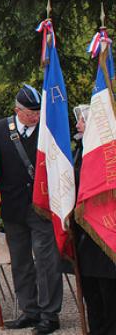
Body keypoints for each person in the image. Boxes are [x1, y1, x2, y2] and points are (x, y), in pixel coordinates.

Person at [0, 85, 62, 334]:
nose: (36, 117)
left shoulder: (48, 129)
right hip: (14, 207)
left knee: (46, 261)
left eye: (38, 112)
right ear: (17, 110)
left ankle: (49, 314)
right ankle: (29, 310)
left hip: (43, 206)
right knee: (20, 261)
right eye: (31, 113)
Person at [72, 105, 116, 335]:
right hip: (85, 232)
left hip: (108, 230)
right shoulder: (80, 150)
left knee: (109, 291)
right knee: (91, 290)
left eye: (82, 121)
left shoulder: (110, 153)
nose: (77, 125)